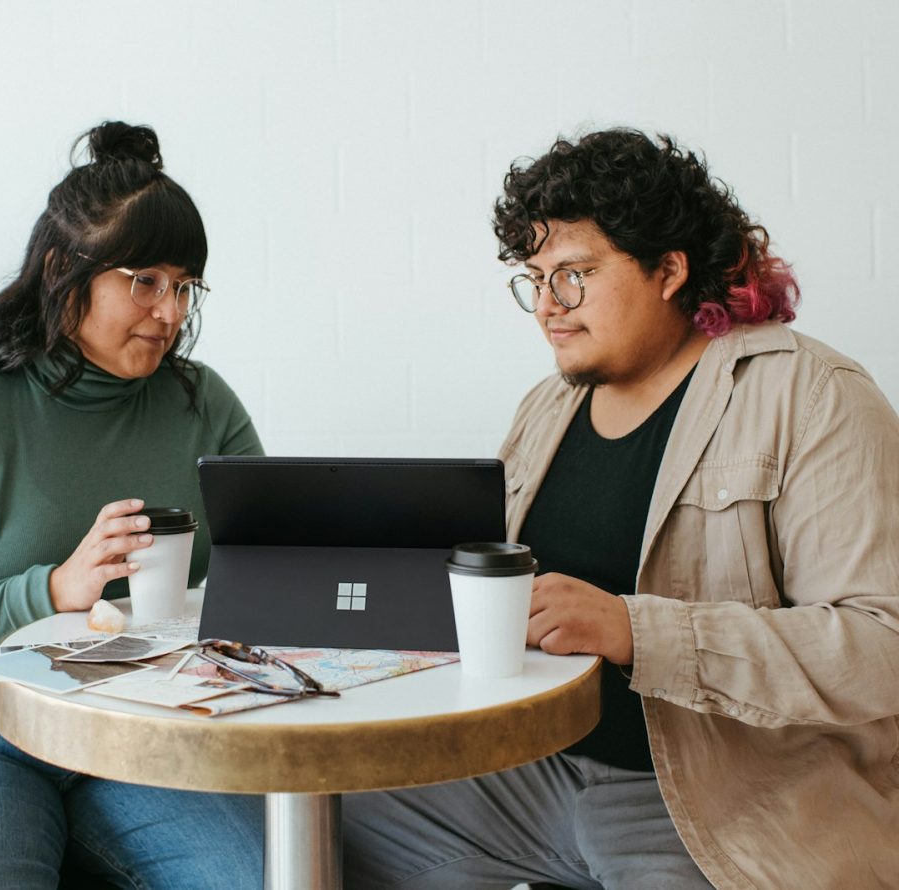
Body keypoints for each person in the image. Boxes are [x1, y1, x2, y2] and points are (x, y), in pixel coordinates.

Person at [343, 129, 899, 889]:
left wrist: (635, 628)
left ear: (669, 268)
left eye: (574, 274)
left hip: (723, 799)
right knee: (323, 814)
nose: (547, 307)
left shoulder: (811, 395)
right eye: (534, 279)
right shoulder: (545, 410)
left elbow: (882, 647)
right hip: (531, 775)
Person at [0, 122, 265, 889]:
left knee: (258, 875)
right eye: (145, 280)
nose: (172, 311)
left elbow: (266, 567)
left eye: (185, 285)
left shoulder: (203, 404)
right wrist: (52, 591)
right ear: (64, 270)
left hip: (140, 724)